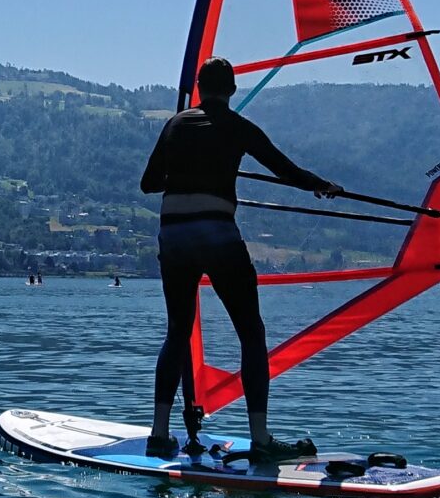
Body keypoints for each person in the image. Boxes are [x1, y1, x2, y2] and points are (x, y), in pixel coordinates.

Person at [138, 57, 342, 461]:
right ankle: (261, 438)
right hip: (216, 232)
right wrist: (322, 186)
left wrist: (185, 171)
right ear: (231, 91)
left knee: (177, 331)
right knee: (251, 332)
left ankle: (159, 434)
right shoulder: (239, 127)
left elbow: (149, 184)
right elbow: (286, 170)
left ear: (198, 89)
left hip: (174, 232)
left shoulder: (175, 124)